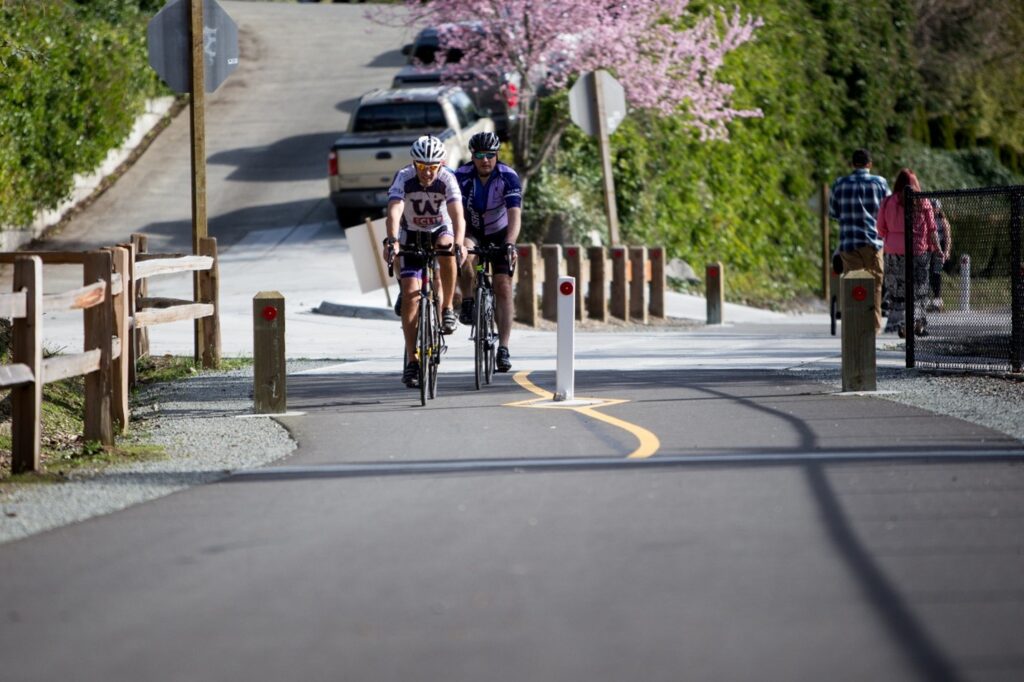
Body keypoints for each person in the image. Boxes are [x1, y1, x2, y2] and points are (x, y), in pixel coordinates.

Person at [381, 135, 466, 388]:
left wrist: (460, 242)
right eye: (422, 167)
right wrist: (392, 240)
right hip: (411, 232)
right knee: (410, 295)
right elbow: (394, 210)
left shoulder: (447, 178)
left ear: (441, 164)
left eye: (432, 167)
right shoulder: (404, 177)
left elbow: (457, 215)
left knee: (446, 247)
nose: (427, 173)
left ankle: (448, 307)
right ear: (414, 164)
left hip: (440, 228)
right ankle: (412, 360)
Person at [454, 131, 522, 373]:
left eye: (490, 155)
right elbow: (454, 211)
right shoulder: (460, 176)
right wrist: (458, 241)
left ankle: (503, 347)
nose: (485, 160)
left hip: (500, 233)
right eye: (480, 155)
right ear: (472, 156)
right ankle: (469, 301)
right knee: (465, 256)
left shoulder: (508, 177)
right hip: (472, 230)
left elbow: (515, 214)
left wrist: (510, 243)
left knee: (503, 285)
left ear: (497, 156)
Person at [829, 149, 890, 333]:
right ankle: (874, 326)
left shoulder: (839, 184)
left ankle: (854, 325)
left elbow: (833, 213)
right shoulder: (880, 183)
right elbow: (888, 209)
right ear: (869, 164)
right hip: (874, 243)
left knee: (853, 286)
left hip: (849, 243)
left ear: (852, 164)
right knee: (875, 286)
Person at [876, 168, 941, 337]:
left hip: (894, 251)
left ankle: (899, 324)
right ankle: (918, 325)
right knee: (919, 290)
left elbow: (880, 229)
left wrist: (891, 237)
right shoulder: (923, 201)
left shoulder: (888, 202)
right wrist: (938, 249)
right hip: (918, 250)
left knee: (897, 290)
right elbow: (932, 229)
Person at [928, 200, 952, 312]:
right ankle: (928, 299)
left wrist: (946, 251)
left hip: (939, 249)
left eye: (935, 207)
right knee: (928, 273)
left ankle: (937, 298)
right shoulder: (928, 218)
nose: (933, 209)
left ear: (938, 208)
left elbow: (947, 237)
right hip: (929, 248)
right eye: (931, 206)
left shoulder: (942, 221)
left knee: (936, 273)